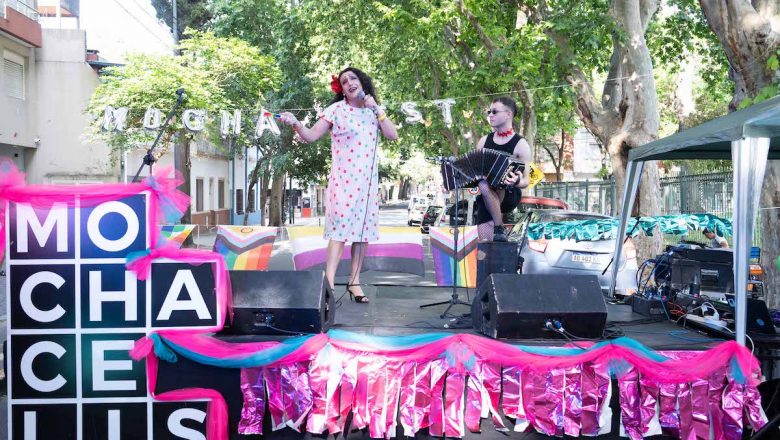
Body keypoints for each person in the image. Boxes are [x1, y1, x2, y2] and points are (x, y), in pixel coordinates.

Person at [278, 67, 398, 303]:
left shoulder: (374, 112)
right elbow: (311, 136)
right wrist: (295, 123)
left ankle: (354, 282)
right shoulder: (336, 111)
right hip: (343, 182)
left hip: (367, 184)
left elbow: (392, 135)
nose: (349, 83)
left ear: (362, 82)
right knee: (340, 232)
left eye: (353, 78)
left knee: (362, 235)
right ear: (342, 90)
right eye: (344, 82)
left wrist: (377, 109)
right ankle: (329, 283)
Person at [473, 97, 532, 242]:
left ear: (508, 115)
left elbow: (526, 181)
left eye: (494, 111)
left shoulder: (521, 144)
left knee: (487, 184)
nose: (490, 115)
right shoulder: (483, 141)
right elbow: (475, 171)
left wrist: (517, 180)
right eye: (489, 112)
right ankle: (494, 237)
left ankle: (499, 227)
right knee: (485, 247)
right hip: (486, 193)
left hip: (509, 194)